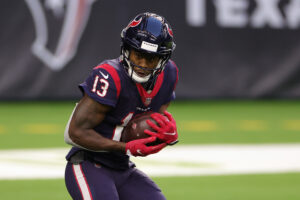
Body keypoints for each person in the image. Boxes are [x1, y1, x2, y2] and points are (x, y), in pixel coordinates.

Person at [64, 12, 179, 200]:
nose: (142, 64)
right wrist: (125, 147)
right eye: (138, 54)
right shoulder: (109, 76)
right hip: (88, 165)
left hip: (122, 168)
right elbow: (73, 133)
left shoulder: (169, 74)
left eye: (150, 58)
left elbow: (143, 128)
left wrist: (164, 135)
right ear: (126, 49)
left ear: (162, 59)